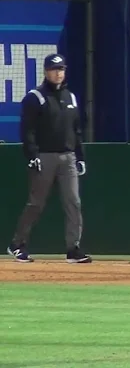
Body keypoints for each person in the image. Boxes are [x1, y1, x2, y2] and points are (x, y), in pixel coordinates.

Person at [6, 54, 91, 263]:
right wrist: (32, 155)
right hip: (44, 156)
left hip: (68, 157)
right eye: (54, 69)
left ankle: (73, 249)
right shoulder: (35, 97)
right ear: (45, 71)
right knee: (36, 203)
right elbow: (28, 130)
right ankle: (17, 244)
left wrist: (80, 156)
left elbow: (76, 130)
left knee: (73, 202)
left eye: (61, 69)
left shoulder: (70, 97)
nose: (58, 73)